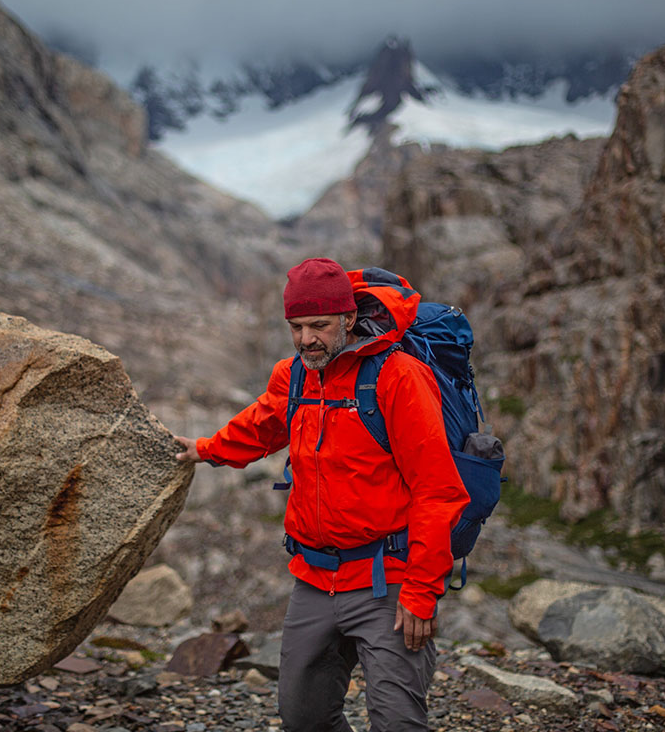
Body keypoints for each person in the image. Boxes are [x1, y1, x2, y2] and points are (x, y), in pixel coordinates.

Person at [175, 257, 469, 731]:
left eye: (319, 325)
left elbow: (438, 491)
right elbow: (259, 427)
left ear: (348, 319)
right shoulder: (294, 376)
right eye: (296, 326)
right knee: (303, 719)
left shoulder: (399, 377)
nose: (306, 338)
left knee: (397, 722)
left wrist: (421, 590)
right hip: (314, 579)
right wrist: (205, 449)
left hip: (387, 583)